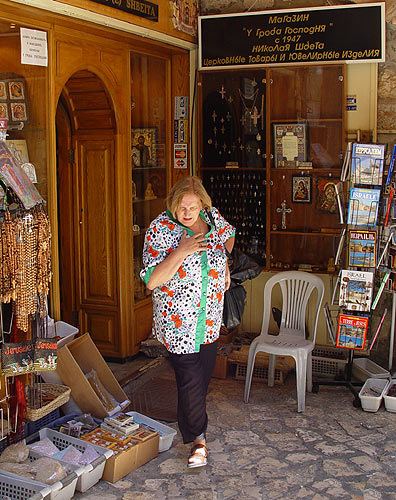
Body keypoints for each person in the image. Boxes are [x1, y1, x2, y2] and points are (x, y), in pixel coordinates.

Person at [140, 176, 235, 468]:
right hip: (178, 321)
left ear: (203, 204)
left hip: (209, 318)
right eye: (181, 207)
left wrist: (225, 264)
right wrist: (182, 251)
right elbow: (152, 281)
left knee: (199, 379)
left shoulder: (211, 217)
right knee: (191, 378)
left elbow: (229, 236)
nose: (187, 213)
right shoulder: (160, 228)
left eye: (193, 207)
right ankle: (198, 440)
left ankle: (192, 426)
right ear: (172, 204)